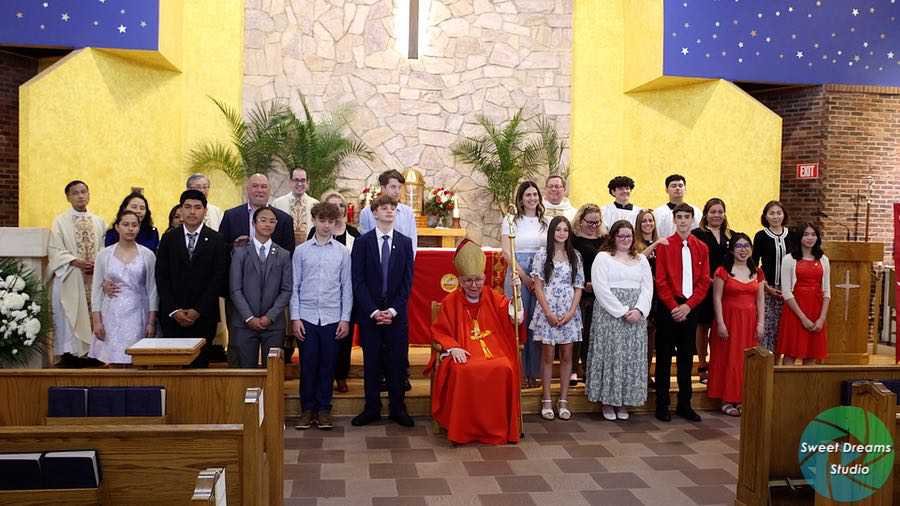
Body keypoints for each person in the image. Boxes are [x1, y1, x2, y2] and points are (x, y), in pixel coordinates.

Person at [430, 240, 523, 444]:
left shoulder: (493, 297)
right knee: (462, 370)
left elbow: (516, 318)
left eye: (478, 280)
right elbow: (439, 331)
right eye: (468, 281)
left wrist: (517, 295)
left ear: (484, 278)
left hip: (494, 350)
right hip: (463, 350)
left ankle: (496, 429)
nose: (474, 285)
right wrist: (453, 347)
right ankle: (464, 430)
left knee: (505, 367)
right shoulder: (450, 302)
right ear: (460, 281)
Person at [350, 195, 415, 428]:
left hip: (396, 317)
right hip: (371, 316)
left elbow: (408, 282)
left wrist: (394, 310)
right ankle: (372, 408)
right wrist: (373, 311)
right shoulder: (363, 242)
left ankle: (398, 408)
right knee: (372, 363)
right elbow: (357, 281)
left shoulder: (405, 243)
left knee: (397, 363)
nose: (389, 211)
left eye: (393, 208)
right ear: (374, 213)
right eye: (384, 208)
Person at [291, 202, 352, 430]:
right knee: (308, 364)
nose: (326, 225)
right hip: (306, 317)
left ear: (335, 223)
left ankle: (325, 410)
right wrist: (295, 318)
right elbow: (295, 285)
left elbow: (347, 288)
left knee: (328, 365)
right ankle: (307, 410)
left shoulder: (343, 253)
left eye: (330, 221)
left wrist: (345, 319)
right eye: (322, 220)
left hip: (332, 317)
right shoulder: (301, 251)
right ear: (314, 220)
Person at [586, 220, 653, 421]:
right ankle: (607, 401)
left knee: (629, 358)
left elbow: (648, 287)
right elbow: (600, 288)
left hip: (635, 315)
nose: (625, 239)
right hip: (611, 315)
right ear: (613, 237)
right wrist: (622, 311)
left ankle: (624, 401)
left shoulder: (641, 259)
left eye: (629, 236)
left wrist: (639, 311)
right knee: (611, 356)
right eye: (621, 235)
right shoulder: (603, 258)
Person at [155, 190, 227, 367]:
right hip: (173, 317)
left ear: (205, 211)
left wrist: (198, 310)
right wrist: (174, 310)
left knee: (199, 367)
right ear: (181, 210)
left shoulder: (217, 240)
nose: (192, 212)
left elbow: (218, 278)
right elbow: (161, 276)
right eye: (187, 207)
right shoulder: (169, 238)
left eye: (197, 207)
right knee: (172, 368)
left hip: (204, 317)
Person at [653, 203, 710, 423]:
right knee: (665, 357)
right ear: (674, 220)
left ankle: (685, 404)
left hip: (691, 307)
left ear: (692, 220)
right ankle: (662, 404)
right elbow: (661, 280)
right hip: (669, 308)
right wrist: (673, 306)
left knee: (687, 357)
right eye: (680, 217)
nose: (683, 220)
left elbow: (705, 281)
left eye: (687, 217)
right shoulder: (665, 246)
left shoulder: (701, 247)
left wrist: (688, 306)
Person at [530, 216, 584, 421]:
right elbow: (538, 286)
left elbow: (579, 286)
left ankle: (563, 399)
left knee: (567, 355)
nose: (561, 233)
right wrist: (548, 312)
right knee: (547, 355)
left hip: (569, 309)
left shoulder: (575, 256)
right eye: (558, 230)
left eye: (565, 230)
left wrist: (571, 312)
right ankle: (546, 399)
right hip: (548, 309)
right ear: (551, 232)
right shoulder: (542, 254)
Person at [48, 180, 106, 367]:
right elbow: (55, 249)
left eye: (83, 191)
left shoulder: (99, 221)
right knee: (70, 315)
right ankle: (70, 354)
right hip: (72, 274)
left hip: (94, 277)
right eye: (75, 193)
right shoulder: (60, 221)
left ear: (89, 194)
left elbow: (106, 248)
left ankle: (94, 354)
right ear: (68, 197)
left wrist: (99, 262)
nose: (80, 196)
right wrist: (75, 261)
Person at [306, 190, 360, 394]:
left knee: (343, 339)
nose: (337, 209)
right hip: (323, 295)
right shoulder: (316, 232)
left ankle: (341, 375)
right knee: (323, 341)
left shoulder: (354, 233)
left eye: (341, 206)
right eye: (332, 205)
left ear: (345, 210)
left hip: (347, 293)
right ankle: (324, 377)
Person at [89, 211, 158, 365]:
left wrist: (151, 322)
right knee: (112, 360)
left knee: (136, 360)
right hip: (111, 313)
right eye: (125, 224)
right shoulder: (104, 255)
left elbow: (152, 289)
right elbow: (96, 289)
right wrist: (97, 321)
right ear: (117, 227)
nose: (130, 229)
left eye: (134, 225)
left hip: (138, 313)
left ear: (139, 228)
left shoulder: (147, 255)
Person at [229, 206, 293, 368]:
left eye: (272, 221)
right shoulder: (240, 252)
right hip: (244, 323)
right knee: (244, 371)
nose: (267, 224)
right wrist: (249, 317)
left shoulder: (283, 254)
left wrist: (269, 317)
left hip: (273, 324)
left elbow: (286, 290)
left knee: (272, 372)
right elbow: (235, 289)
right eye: (263, 220)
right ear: (254, 223)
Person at [708, 233, 764, 417]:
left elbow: (760, 301)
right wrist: (721, 323)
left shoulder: (758, 272)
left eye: (746, 245)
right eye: (739, 246)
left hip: (749, 322)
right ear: (731, 249)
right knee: (728, 358)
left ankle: (741, 398)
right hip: (728, 321)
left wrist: (761, 323)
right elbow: (716, 298)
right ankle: (726, 399)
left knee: (745, 360)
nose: (743, 249)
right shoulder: (722, 271)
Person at [501, 181, 548, 388]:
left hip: (540, 274)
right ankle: (516, 371)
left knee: (535, 323)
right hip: (517, 273)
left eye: (535, 195)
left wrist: (537, 278)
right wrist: (526, 278)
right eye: (527, 195)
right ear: (520, 199)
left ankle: (533, 372)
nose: (532, 198)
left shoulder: (545, 221)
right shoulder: (510, 220)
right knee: (517, 320)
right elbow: (506, 252)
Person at [690, 198, 734, 385]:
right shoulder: (697, 234)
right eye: (713, 212)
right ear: (706, 214)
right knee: (703, 325)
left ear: (724, 214)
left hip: (726, 287)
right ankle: (702, 364)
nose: (717, 215)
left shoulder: (732, 235)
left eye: (720, 211)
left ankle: (718, 364)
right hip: (705, 286)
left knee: (721, 326)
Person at [776, 223, 831, 365]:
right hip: (795, 310)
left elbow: (827, 291)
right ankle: (787, 386)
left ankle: (807, 387)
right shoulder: (789, 259)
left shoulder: (824, 260)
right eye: (806, 234)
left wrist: (822, 318)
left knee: (811, 353)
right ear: (799, 237)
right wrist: (803, 318)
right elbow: (786, 292)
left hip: (816, 309)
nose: (810, 238)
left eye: (813, 234)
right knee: (791, 352)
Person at [752, 201, 795, 354]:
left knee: (782, 328)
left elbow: (797, 262)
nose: (775, 216)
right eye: (771, 213)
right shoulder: (761, 236)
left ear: (784, 215)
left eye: (778, 213)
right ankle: (763, 363)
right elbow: (754, 264)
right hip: (766, 288)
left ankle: (778, 365)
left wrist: (790, 287)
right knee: (766, 327)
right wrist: (765, 286)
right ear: (765, 216)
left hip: (788, 291)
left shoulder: (792, 235)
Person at [571, 204, 605, 385]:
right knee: (579, 331)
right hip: (579, 290)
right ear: (580, 220)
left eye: (596, 222)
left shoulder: (605, 239)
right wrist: (583, 285)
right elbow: (569, 265)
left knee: (594, 333)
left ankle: (589, 367)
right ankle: (573, 368)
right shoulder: (573, 239)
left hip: (600, 293)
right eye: (590, 222)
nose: (593, 226)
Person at [220, 173, 295, 253]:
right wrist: (235, 246)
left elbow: (288, 255)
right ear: (247, 189)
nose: (259, 190)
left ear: (269, 191)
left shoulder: (284, 220)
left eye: (264, 187)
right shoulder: (230, 216)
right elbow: (220, 249)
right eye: (255, 186)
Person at [635, 209, 667, 388]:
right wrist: (655, 246)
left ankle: (646, 375)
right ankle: (637, 375)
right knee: (640, 337)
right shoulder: (635, 244)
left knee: (651, 339)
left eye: (650, 221)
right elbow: (639, 260)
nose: (648, 224)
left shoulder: (662, 242)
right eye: (644, 221)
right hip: (641, 295)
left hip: (659, 296)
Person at [358, 170, 418, 252]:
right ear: (383, 188)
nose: (397, 192)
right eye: (393, 187)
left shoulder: (408, 213)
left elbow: (412, 243)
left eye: (399, 187)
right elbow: (364, 245)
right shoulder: (367, 212)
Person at [272, 167, 320, 247]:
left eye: (303, 180)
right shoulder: (278, 204)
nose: (299, 184)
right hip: (284, 250)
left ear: (308, 183)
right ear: (290, 182)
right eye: (296, 180)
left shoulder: (315, 204)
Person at [653, 174, 701, 239]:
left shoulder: (696, 211)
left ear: (685, 189)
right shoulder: (658, 213)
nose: (677, 188)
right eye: (673, 186)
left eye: (680, 186)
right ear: (666, 190)